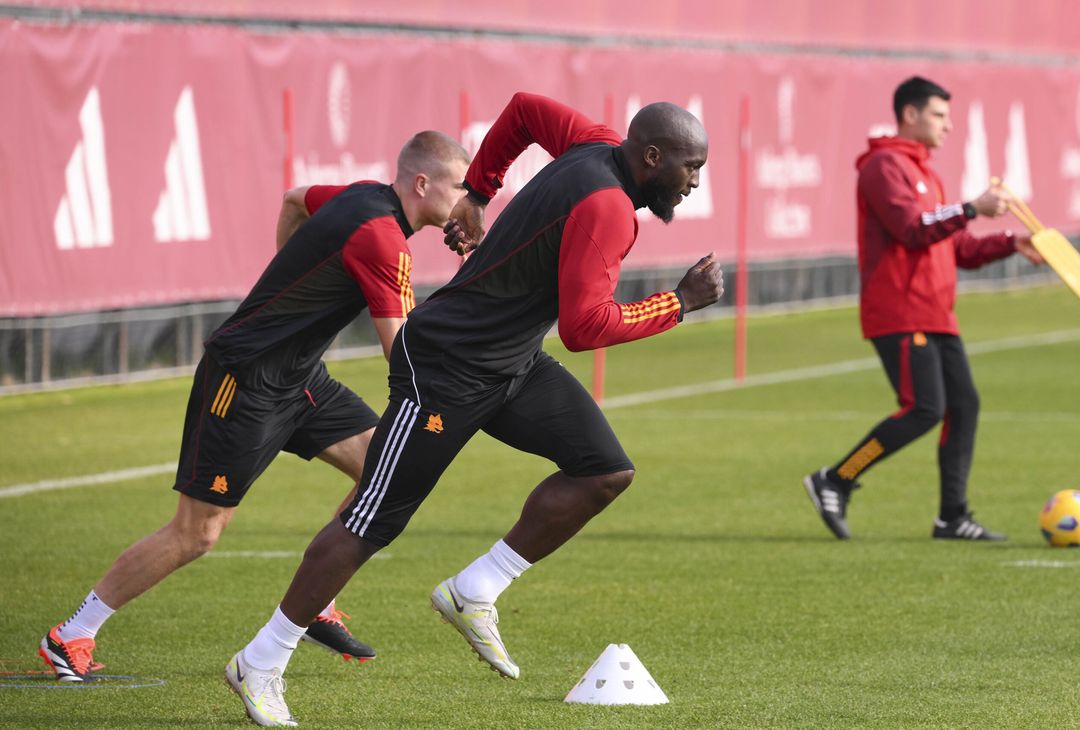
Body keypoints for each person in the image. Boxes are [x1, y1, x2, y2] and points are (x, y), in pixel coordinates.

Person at [223, 91, 724, 727]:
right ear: (652, 157)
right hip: (444, 368)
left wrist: (479, 194)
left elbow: (522, 110)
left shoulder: (594, 141)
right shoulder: (610, 209)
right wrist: (678, 302)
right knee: (370, 522)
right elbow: (585, 326)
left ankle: (476, 588)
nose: (695, 182)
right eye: (690, 167)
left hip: (510, 365)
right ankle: (260, 662)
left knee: (603, 469)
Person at [38, 131, 472, 682]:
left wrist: (288, 275)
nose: (466, 201)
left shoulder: (361, 193)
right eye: (461, 187)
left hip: (301, 376)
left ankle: (314, 600)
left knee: (385, 467)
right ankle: (72, 633)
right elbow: (401, 355)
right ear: (422, 183)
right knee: (198, 532)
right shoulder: (385, 240)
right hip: (245, 379)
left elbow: (294, 197)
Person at [803, 76, 1043, 541]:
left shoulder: (927, 173)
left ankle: (952, 517)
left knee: (964, 405)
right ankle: (835, 479)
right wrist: (972, 208)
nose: (948, 126)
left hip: (936, 311)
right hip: (900, 309)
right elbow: (913, 229)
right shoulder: (882, 167)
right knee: (924, 408)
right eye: (939, 115)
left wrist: (1013, 242)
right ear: (909, 114)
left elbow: (956, 249)